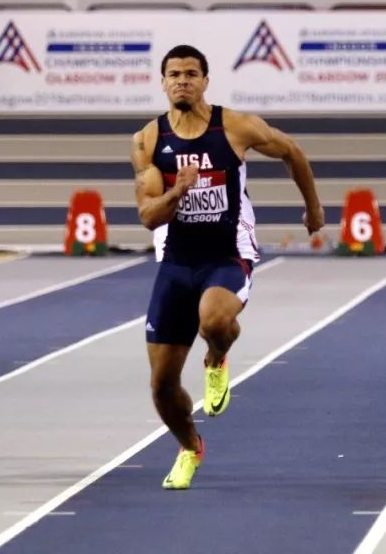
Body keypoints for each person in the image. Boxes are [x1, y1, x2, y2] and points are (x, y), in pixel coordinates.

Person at [131, 44, 324, 489]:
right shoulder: (147, 140)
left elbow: (292, 151)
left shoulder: (234, 126)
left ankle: (216, 358)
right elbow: (147, 216)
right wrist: (177, 193)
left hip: (227, 252)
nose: (182, 80)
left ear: (205, 80)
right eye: (174, 74)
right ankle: (189, 447)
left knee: (214, 320)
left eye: (191, 73)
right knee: (161, 386)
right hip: (177, 260)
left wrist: (313, 209)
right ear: (162, 83)